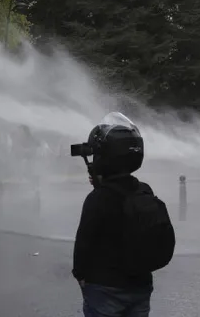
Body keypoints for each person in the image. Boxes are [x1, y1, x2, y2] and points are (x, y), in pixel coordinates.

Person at [72, 113, 174, 317]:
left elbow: (83, 243)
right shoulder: (144, 190)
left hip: (105, 288)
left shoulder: (98, 198)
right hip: (140, 285)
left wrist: (80, 276)